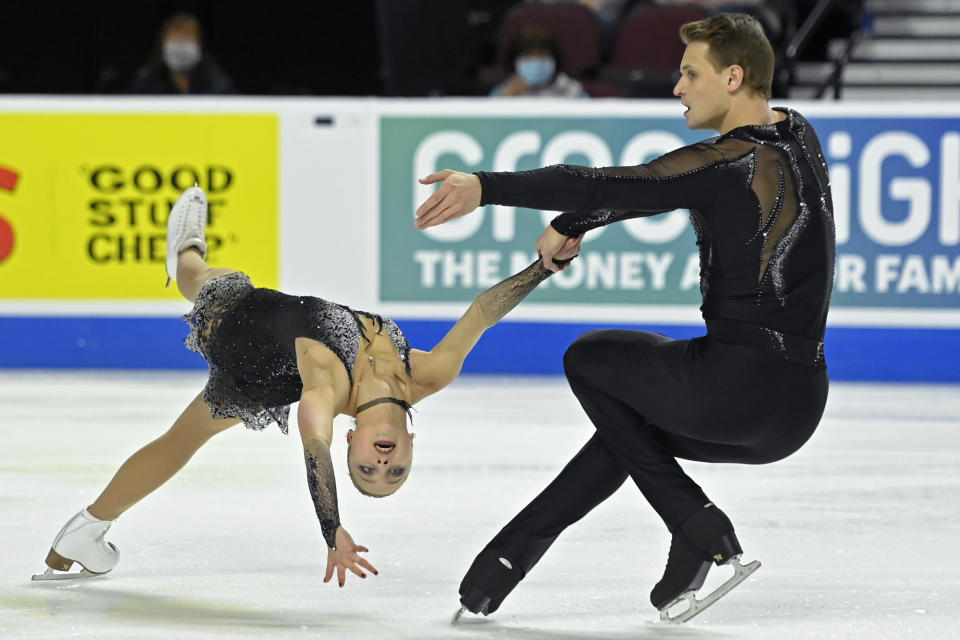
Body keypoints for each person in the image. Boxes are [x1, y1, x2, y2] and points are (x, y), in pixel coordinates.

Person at [415, 13, 834, 624]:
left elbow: (602, 181)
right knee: (629, 428)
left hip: (739, 388)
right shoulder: (797, 132)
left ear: (734, 76)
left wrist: (484, 186)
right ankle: (501, 566)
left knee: (592, 358)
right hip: (797, 408)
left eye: (691, 73)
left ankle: (694, 520)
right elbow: (636, 191)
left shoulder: (727, 162)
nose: (679, 87)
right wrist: (571, 224)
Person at [33, 185, 582, 588]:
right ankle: (86, 530)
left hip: (246, 338)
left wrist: (332, 528)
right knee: (182, 435)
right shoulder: (429, 375)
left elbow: (313, 448)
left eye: (369, 469)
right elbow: (482, 314)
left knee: (207, 289)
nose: (383, 461)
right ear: (414, 446)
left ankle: (186, 251)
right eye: (395, 470)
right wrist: (544, 269)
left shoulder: (326, 386)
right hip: (277, 343)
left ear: (353, 443)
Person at [127, 13, 235, 95]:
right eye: (175, 40)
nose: (180, 48)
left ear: (199, 44)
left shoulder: (218, 84)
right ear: (162, 46)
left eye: (186, 39)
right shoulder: (146, 84)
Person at [490, 25, 587, 98]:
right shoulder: (503, 92)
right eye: (528, 56)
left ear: (554, 59)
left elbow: (590, 121)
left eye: (542, 55)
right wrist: (504, 98)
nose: (536, 61)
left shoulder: (573, 91)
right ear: (516, 61)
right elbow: (487, 121)